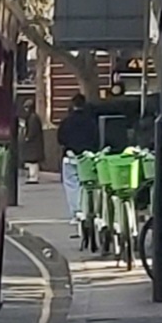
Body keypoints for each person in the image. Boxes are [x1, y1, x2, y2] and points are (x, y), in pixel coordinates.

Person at [56, 94, 98, 227]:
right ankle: (87, 210)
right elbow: (96, 138)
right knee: (86, 184)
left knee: (71, 185)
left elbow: (60, 138)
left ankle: (76, 213)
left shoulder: (67, 121)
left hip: (70, 156)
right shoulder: (91, 121)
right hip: (87, 157)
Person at [20, 100, 45, 183]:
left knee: (32, 161)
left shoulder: (32, 118)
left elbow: (32, 130)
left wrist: (27, 137)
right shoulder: (33, 117)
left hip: (33, 144)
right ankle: (33, 176)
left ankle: (33, 176)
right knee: (32, 161)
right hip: (35, 143)